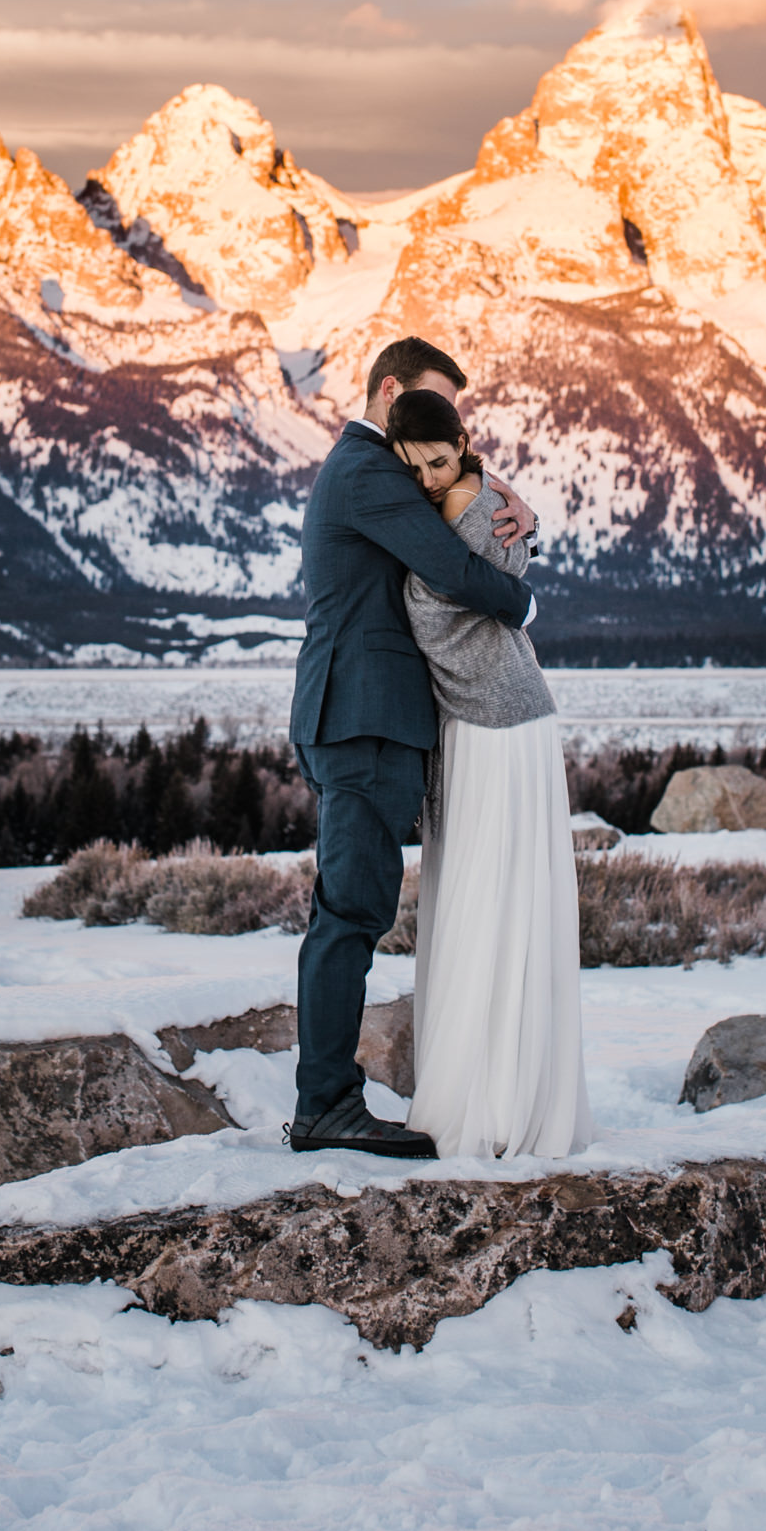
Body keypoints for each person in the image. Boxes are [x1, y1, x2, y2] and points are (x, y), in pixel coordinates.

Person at [288, 337, 539, 1157]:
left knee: (352, 908)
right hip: (361, 718)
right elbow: (456, 571)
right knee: (350, 912)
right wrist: (524, 602)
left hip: (369, 717)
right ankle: (324, 1105)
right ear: (388, 390)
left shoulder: (382, 468)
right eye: (427, 403)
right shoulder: (365, 472)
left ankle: (328, 1100)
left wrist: (507, 498)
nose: (439, 433)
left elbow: (451, 481)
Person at [386, 388, 591, 1159]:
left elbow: (450, 608)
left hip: (497, 721)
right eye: (413, 467)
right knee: (495, 901)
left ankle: (493, 1104)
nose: (430, 478)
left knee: (493, 901)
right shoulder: (482, 501)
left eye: (438, 460)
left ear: (463, 443)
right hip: (488, 719)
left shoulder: (477, 504)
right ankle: (507, 1092)